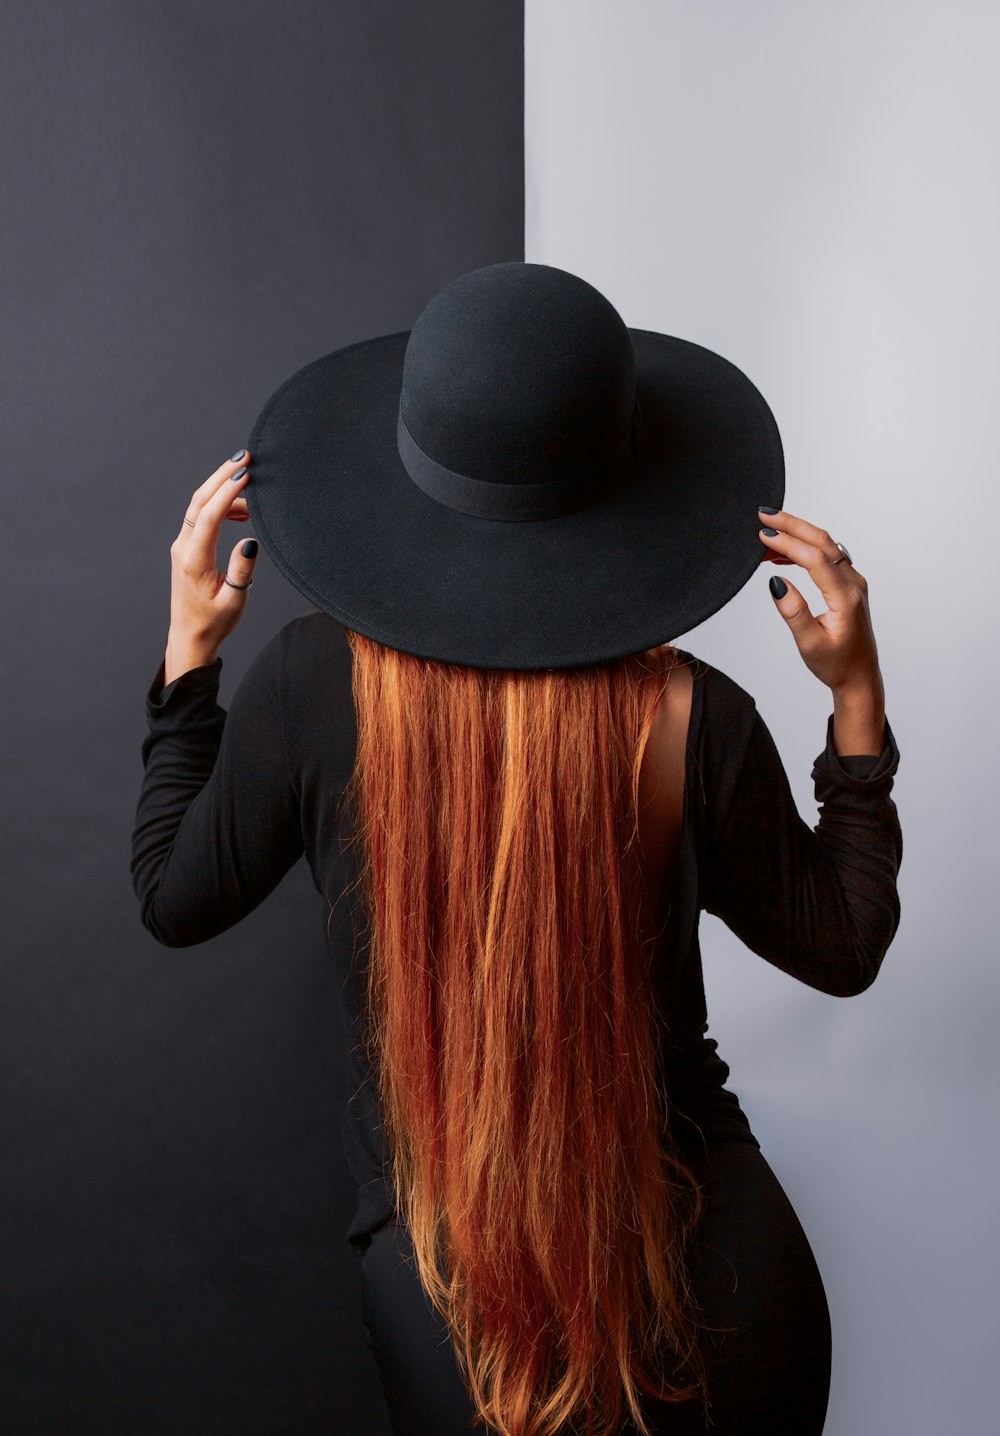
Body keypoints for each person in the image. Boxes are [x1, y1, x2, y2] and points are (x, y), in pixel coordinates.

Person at [130, 262, 902, 1436]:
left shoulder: (301, 685)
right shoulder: (697, 714)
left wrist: (190, 655)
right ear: (629, 475)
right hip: (729, 1284)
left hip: (455, 1305)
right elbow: (843, 946)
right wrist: (854, 700)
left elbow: (171, 899)